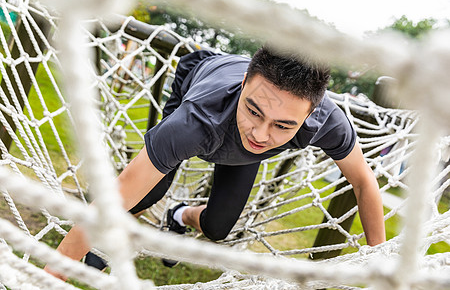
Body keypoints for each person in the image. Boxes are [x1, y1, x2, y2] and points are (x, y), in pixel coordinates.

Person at [45, 46, 385, 278]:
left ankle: (178, 215)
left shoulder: (328, 122)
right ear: (242, 86)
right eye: (255, 110)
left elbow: (364, 183)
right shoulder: (195, 121)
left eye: (283, 125)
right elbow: (116, 195)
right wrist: (47, 276)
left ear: (311, 115)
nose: (262, 134)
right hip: (201, 90)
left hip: (230, 136)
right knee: (145, 192)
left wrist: (380, 263)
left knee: (219, 228)